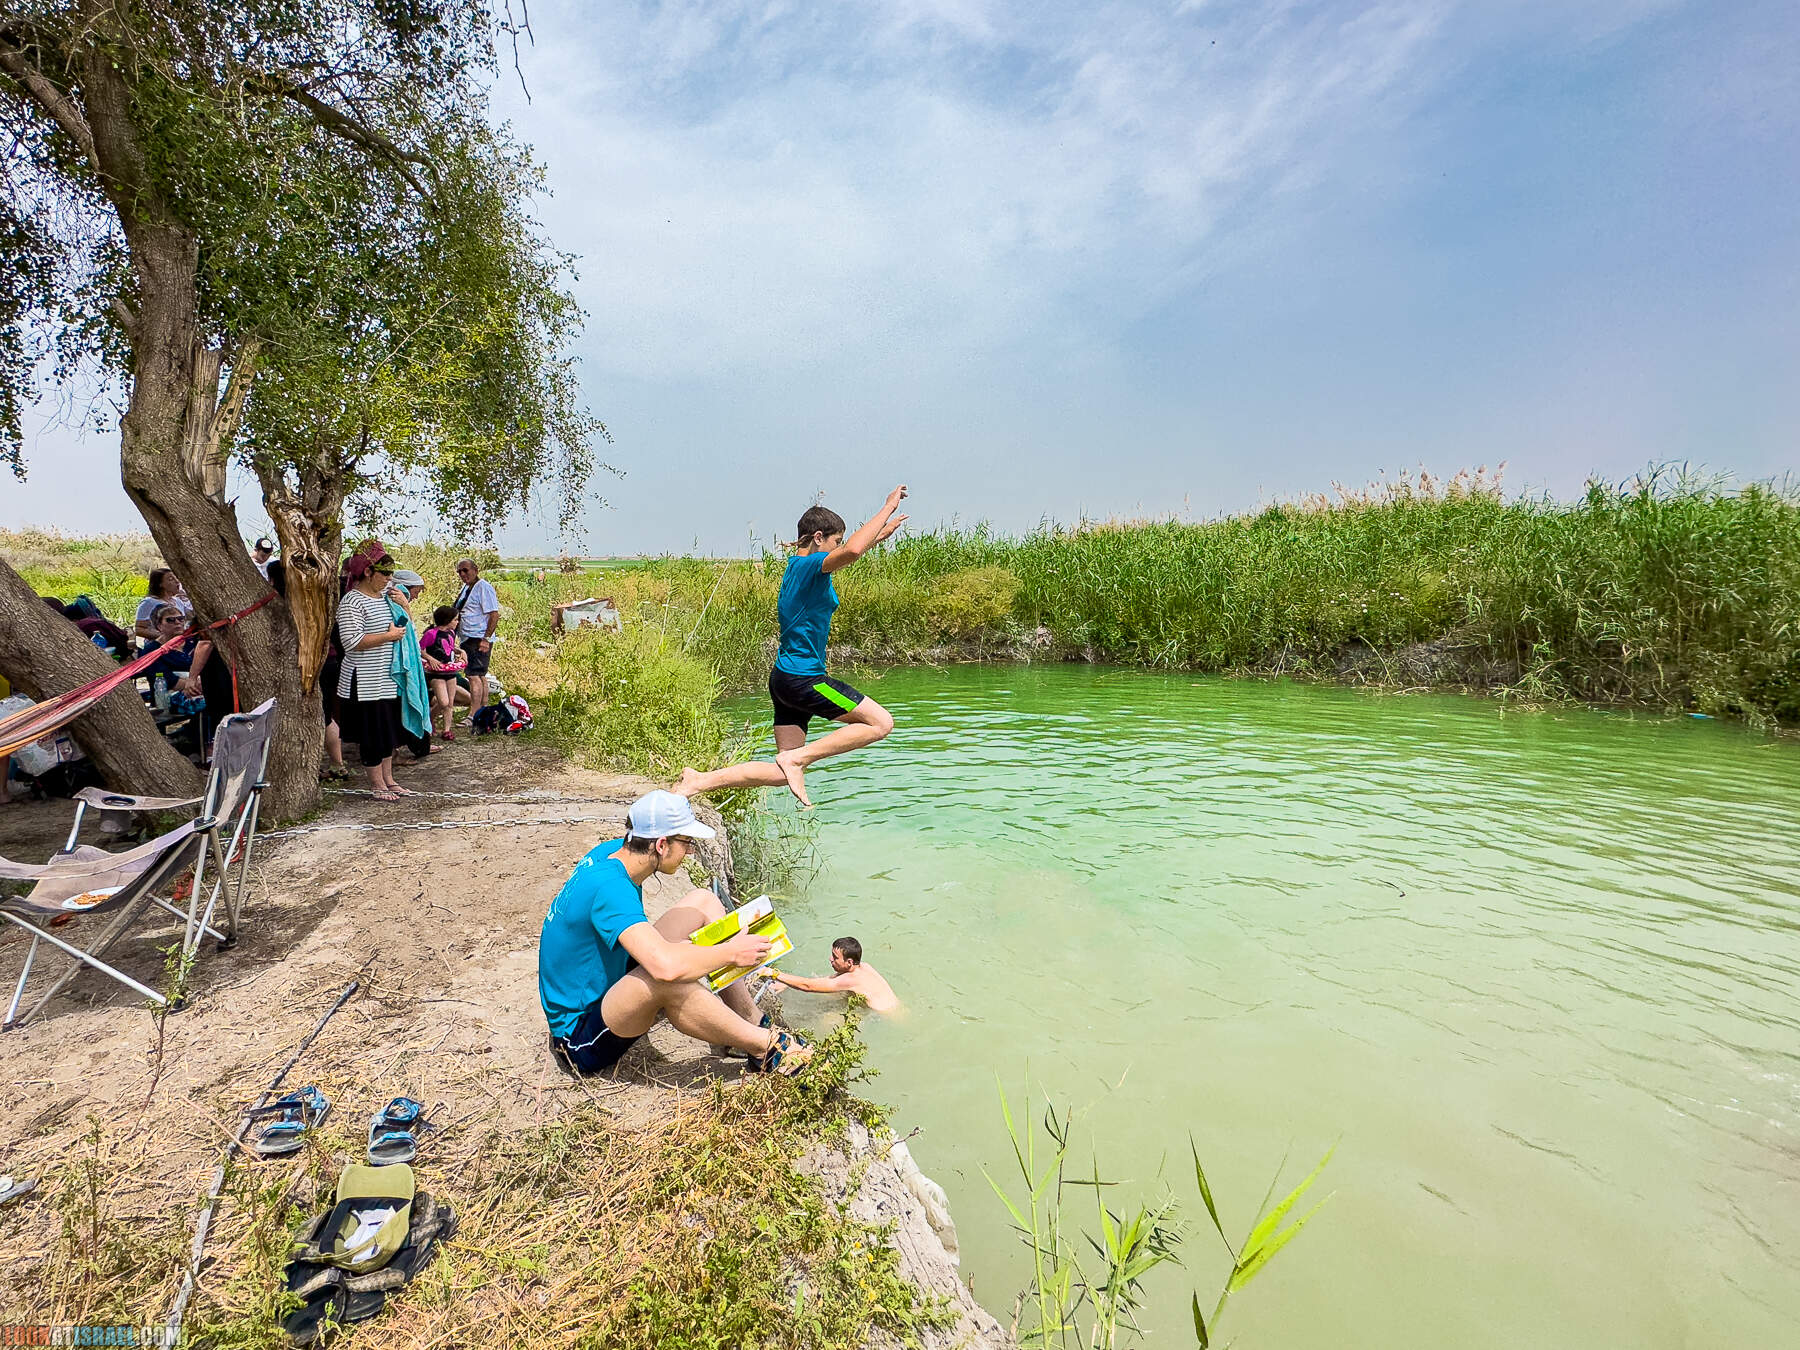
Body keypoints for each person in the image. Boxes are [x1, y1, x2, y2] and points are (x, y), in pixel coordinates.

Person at [539, 790, 813, 1076]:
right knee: (667, 979)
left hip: (609, 982)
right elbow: (665, 968)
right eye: (687, 843)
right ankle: (766, 1048)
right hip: (579, 1035)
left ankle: (748, 1019)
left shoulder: (611, 856)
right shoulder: (610, 888)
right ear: (660, 845)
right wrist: (732, 951)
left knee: (704, 902)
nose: (691, 851)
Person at [675, 486, 909, 808]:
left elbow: (851, 552)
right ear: (817, 537)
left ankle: (698, 781)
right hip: (804, 678)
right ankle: (799, 760)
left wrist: (879, 536)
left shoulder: (798, 568)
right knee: (881, 723)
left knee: (779, 772)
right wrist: (887, 507)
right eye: (835, 541)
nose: (837, 550)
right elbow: (852, 552)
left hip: (784, 679)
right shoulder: (810, 568)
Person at [335, 542, 412, 801]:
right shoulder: (352, 602)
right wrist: (388, 636)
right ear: (368, 572)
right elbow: (352, 641)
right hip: (364, 679)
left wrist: (403, 606)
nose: (389, 580)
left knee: (387, 732)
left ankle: (389, 780)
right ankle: (376, 783)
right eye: (385, 574)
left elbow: (404, 628)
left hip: (386, 677)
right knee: (371, 733)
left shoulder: (384, 598)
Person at [770, 936, 899, 1013]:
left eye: (835, 957)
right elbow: (825, 981)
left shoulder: (851, 979)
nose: (830, 959)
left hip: (884, 1015)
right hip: (897, 1009)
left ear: (849, 962)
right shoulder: (864, 966)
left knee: (827, 1019)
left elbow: (808, 986)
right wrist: (786, 985)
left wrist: (773, 973)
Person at [451, 558, 499, 722]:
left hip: (478, 637)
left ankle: (473, 714)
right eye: (459, 571)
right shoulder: (467, 588)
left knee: (473, 676)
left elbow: (493, 614)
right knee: (480, 675)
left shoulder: (483, 588)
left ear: (475, 569)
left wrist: (486, 638)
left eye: (465, 570)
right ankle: (483, 711)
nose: (463, 574)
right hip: (468, 636)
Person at [420, 605, 465, 739]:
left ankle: (446, 730)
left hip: (450, 672)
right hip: (436, 673)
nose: (457, 622)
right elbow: (419, 648)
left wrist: (460, 652)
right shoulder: (431, 634)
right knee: (443, 701)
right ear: (447, 620)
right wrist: (430, 659)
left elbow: (450, 648)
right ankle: (429, 719)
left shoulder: (451, 633)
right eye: (455, 620)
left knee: (449, 703)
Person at [134, 568, 185, 646]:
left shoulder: (178, 601)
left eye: (176, 578)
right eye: (171, 579)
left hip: (179, 644)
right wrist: (163, 637)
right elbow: (139, 629)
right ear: (160, 584)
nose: (177, 581)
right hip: (159, 647)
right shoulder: (149, 602)